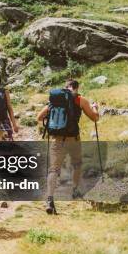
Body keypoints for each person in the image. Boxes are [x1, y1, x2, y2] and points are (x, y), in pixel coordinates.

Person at [37, 79, 99, 215]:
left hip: (57, 140)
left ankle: (49, 199)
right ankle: (75, 190)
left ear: (65, 87)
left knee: (53, 170)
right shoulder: (80, 99)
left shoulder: (56, 100)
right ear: (77, 87)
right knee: (77, 164)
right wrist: (95, 107)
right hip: (73, 139)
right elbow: (94, 118)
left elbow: (39, 117)